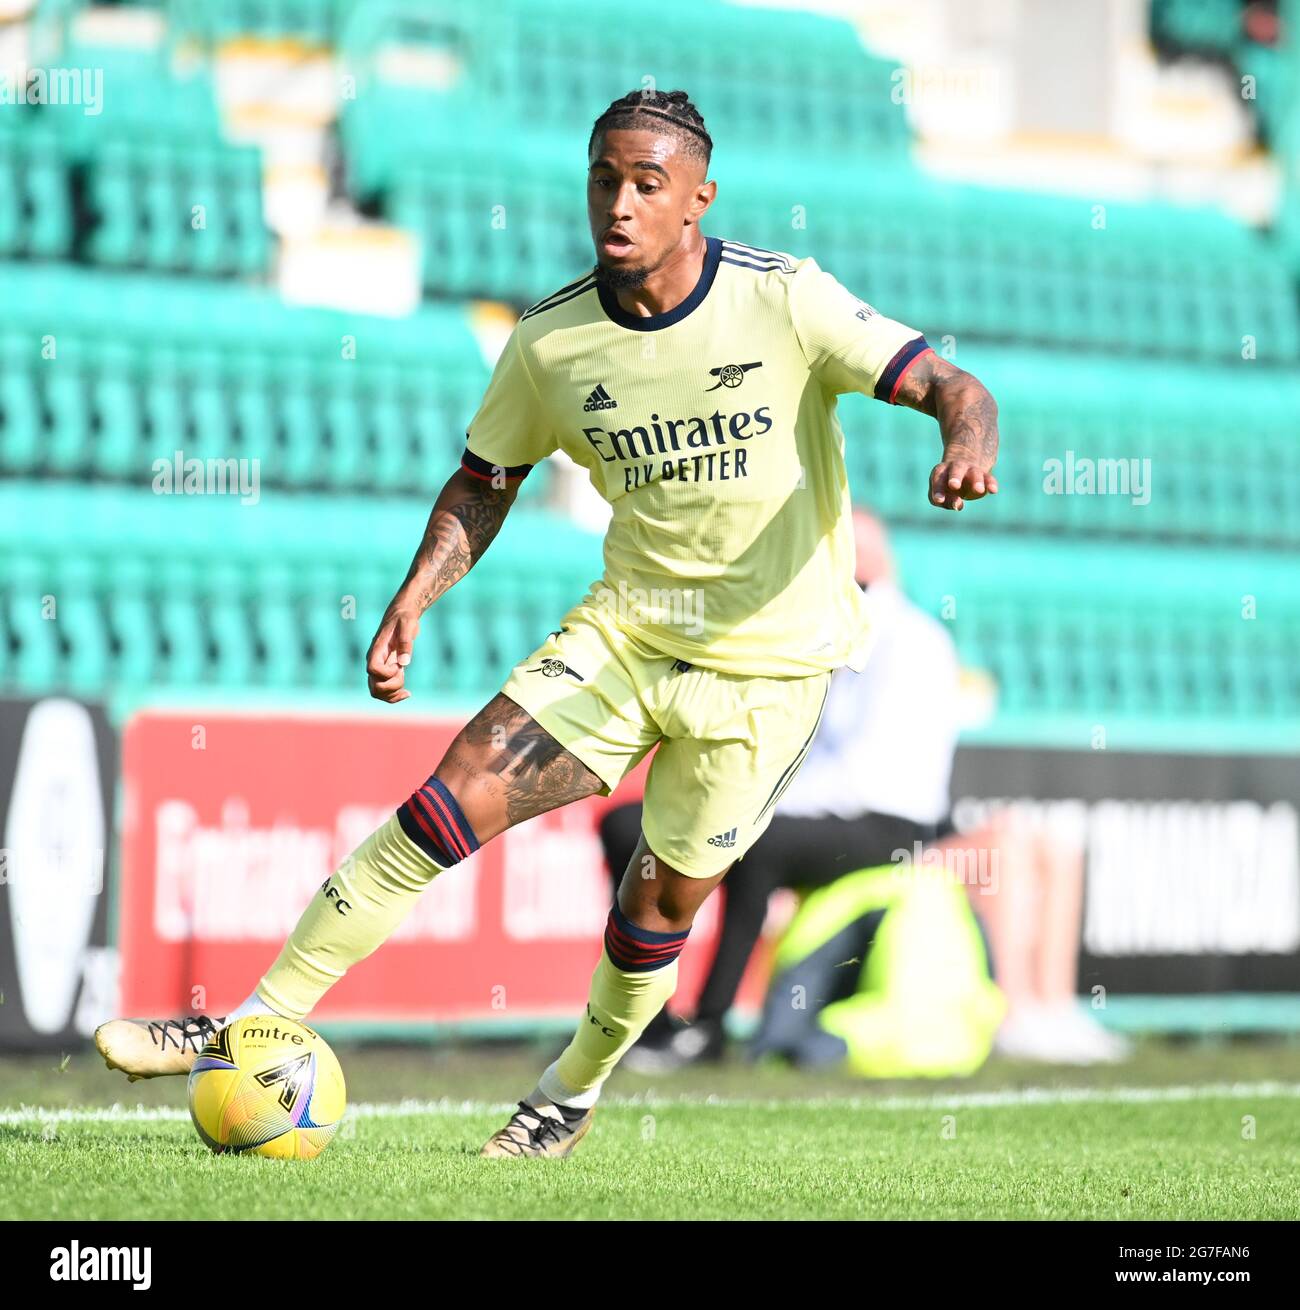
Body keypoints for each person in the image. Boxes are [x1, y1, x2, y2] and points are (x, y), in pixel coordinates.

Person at [94, 88, 1000, 1157]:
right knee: (446, 799)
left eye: (646, 183)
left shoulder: (785, 301)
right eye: (603, 178)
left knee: (658, 898)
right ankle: (245, 1020)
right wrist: (414, 596)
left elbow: (949, 381)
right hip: (627, 631)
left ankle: (569, 1090)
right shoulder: (551, 341)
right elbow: (484, 480)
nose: (619, 202)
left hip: (769, 670)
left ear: (697, 198)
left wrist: (964, 442)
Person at [602, 507, 963, 1070]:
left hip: (887, 823)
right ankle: (642, 1019)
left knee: (753, 846)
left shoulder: (912, 643)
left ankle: (710, 1026)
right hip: (815, 805)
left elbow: (862, 773)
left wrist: (750, 803)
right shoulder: (819, 630)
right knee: (626, 825)